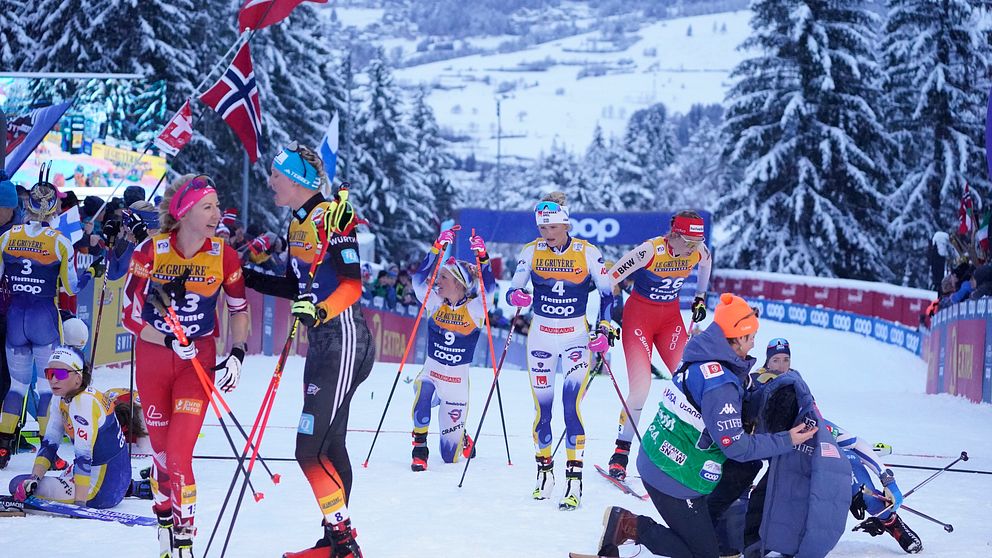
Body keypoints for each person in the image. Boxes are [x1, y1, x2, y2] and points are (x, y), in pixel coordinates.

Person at [594, 294, 819, 558]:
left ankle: (700, 530)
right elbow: (736, 446)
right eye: (752, 336)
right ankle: (629, 525)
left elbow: (735, 403)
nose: (755, 342)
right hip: (672, 476)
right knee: (703, 555)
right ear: (737, 339)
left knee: (740, 476)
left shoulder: (706, 353)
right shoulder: (720, 383)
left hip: (664, 459)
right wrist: (787, 440)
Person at [241, 142, 374, 558]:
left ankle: (345, 546)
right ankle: (332, 544)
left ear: (297, 179)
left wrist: (318, 310)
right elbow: (292, 287)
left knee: (307, 448)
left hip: (344, 337)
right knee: (330, 447)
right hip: (322, 342)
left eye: (276, 175)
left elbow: (353, 284)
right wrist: (241, 274)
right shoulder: (297, 223)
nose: (269, 182)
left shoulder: (333, 217)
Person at [121, 173, 249, 558]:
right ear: (184, 210)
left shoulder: (224, 255)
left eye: (216, 206)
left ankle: (185, 540)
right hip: (155, 359)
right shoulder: (152, 250)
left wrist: (238, 353)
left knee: (179, 455)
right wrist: (170, 341)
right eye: (208, 207)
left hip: (199, 363)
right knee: (161, 458)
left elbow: (239, 311)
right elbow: (129, 317)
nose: (216, 214)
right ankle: (163, 521)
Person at [736, 338, 921, 555]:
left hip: (795, 468)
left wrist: (887, 479)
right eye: (775, 360)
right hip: (761, 462)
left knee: (845, 464)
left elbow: (853, 442)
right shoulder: (757, 395)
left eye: (786, 359)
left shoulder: (808, 420)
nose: (781, 365)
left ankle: (889, 521)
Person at [505, 191, 615, 511]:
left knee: (571, 407)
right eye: (543, 228)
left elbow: (608, 296)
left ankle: (574, 481)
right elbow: (514, 288)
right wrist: (517, 298)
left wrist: (605, 330)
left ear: (565, 224)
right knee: (543, 411)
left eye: (553, 227)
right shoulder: (532, 251)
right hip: (541, 336)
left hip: (575, 338)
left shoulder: (587, 252)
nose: (548, 234)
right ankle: (545, 474)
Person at [602, 210, 712, 480]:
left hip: (670, 321)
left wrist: (700, 298)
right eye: (687, 242)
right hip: (638, 319)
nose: (692, 249)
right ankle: (620, 453)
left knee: (692, 385)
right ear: (673, 234)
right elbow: (608, 280)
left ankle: (682, 450)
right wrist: (604, 321)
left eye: (696, 243)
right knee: (640, 390)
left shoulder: (699, 251)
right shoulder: (649, 251)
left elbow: (706, 265)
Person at [0, 177, 95, 469]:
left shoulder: (7, 236)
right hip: (44, 320)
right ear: (54, 210)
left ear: (26, 205)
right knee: (45, 388)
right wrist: (92, 270)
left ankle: (2, 448)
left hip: (16, 318)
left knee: (16, 386)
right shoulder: (60, 242)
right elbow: (71, 287)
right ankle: (48, 454)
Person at [409, 230, 493, 471]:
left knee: (449, 456)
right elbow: (418, 279)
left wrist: (483, 258)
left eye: (443, 277)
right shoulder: (434, 302)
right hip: (432, 372)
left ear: (458, 283)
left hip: (456, 383)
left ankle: (462, 436)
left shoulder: (476, 309)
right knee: (422, 397)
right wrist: (437, 248)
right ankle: (419, 450)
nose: (437, 281)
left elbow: (490, 289)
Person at [7, 345, 130, 508]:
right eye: (49, 373)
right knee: (27, 483)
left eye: (60, 374)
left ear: (78, 378)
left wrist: (80, 504)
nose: (53, 380)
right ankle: (131, 487)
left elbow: (83, 457)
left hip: (101, 488)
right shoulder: (62, 397)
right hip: (112, 475)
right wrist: (34, 479)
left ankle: (92, 494)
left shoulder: (83, 403)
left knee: (16, 484)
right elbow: (49, 444)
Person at [106, 200, 160, 281]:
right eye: (126, 232)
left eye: (131, 233)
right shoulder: (134, 244)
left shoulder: (163, 244)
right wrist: (109, 247)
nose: (128, 237)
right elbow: (113, 274)